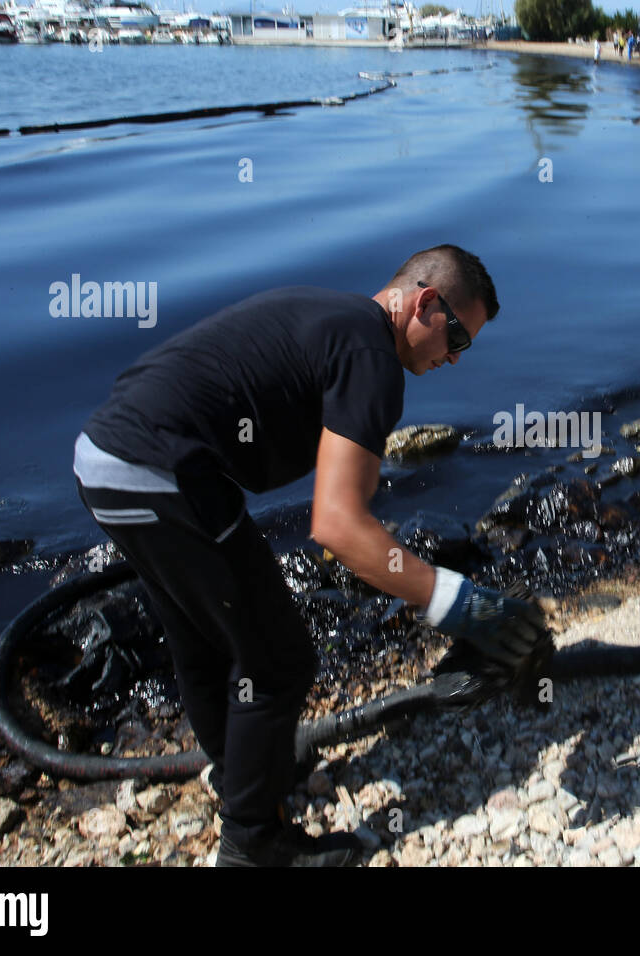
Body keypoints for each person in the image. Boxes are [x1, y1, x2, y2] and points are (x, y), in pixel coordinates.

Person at [73, 245, 543, 867]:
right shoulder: (371, 355)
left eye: (466, 348)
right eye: (455, 335)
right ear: (423, 302)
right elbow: (336, 524)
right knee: (280, 662)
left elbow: (344, 505)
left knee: (202, 641)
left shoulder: (336, 320)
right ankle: (254, 847)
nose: (453, 357)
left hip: (103, 460)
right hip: (161, 470)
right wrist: (459, 605)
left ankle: (244, 780)